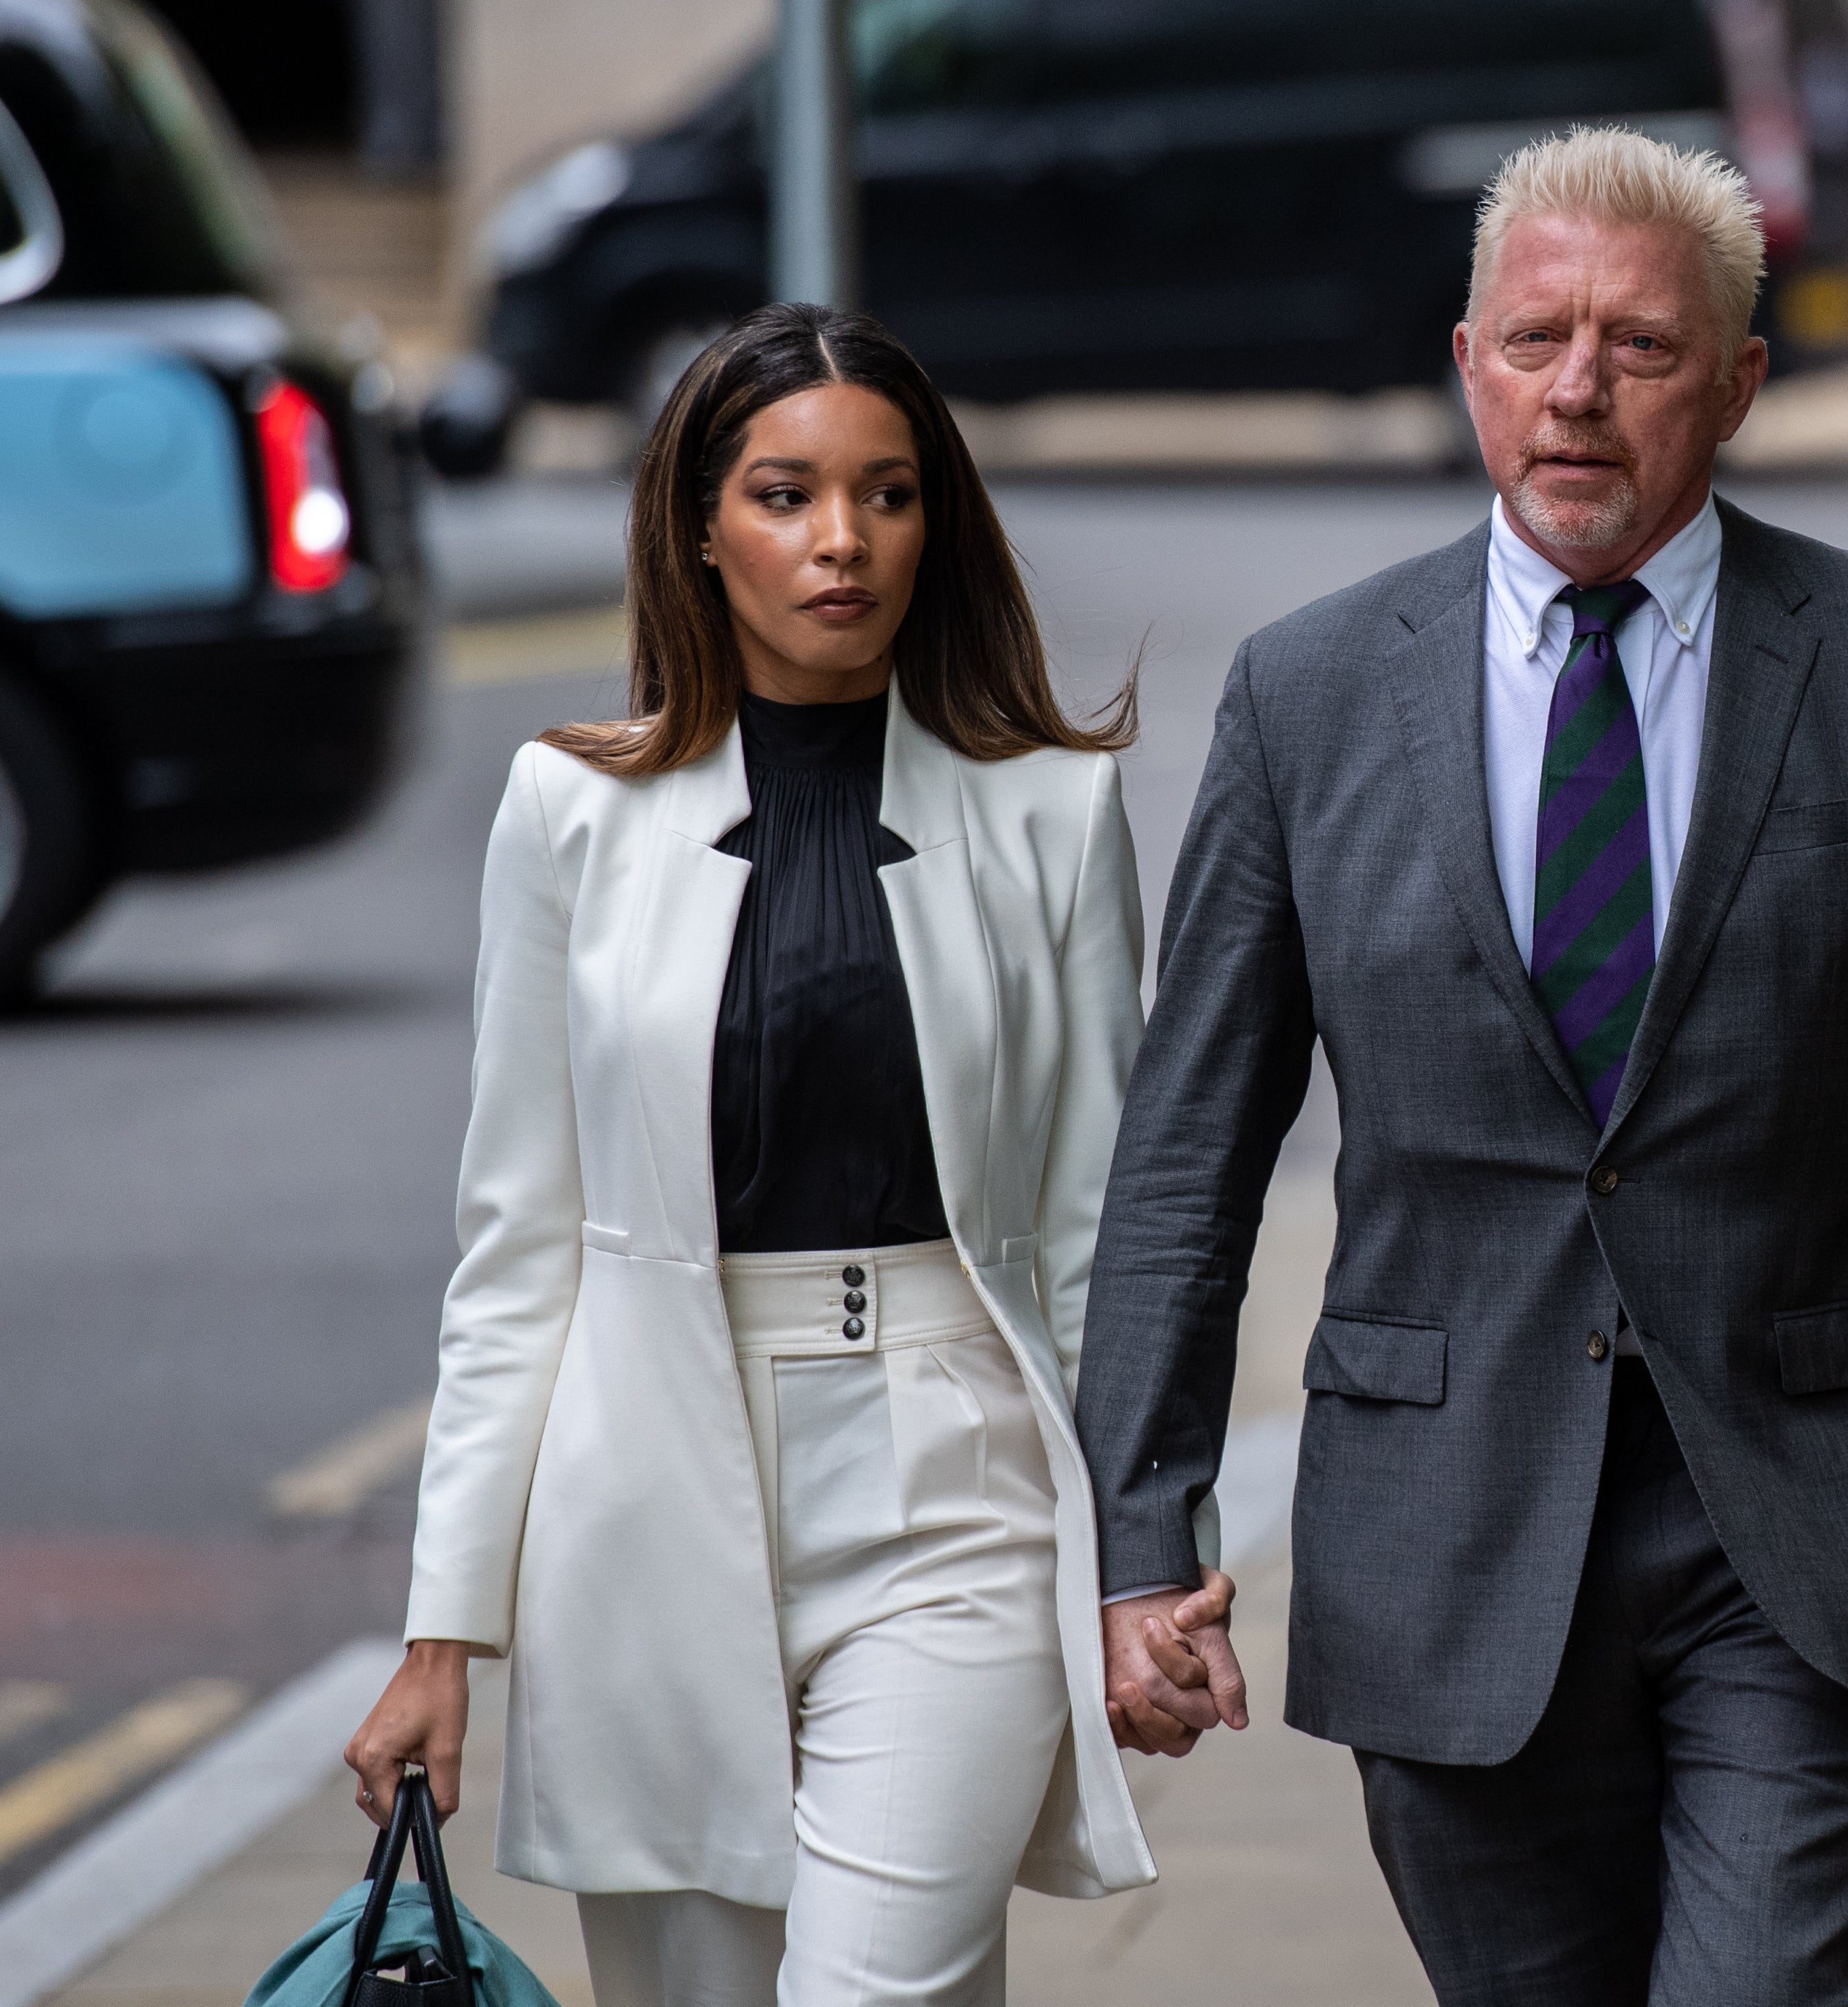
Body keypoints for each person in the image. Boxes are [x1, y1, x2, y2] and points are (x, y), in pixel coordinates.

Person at [1073, 128, 1848, 2007]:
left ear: (1740, 381)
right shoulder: (1309, 693)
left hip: (1807, 1505)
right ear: (1467, 359)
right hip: (1452, 1517)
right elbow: (1191, 1154)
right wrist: (1138, 1528)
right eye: (1536, 338)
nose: (1578, 389)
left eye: (1643, 349)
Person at [343, 303, 1229, 2007]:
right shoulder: (567, 811)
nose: (842, 540)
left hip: (951, 1478)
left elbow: (1109, 1221)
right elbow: (518, 1245)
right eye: (785, 493)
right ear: (697, 522)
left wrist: (1144, 1554)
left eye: (888, 494)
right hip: (644, 1499)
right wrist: (443, 1632)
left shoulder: (1050, 805)